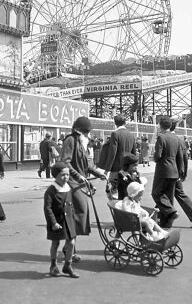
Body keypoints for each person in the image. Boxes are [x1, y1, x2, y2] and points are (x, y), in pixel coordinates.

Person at [60, 116, 107, 262]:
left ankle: (69, 247)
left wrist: (99, 174)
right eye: (86, 132)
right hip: (71, 184)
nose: (87, 135)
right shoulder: (70, 140)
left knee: (78, 215)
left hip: (79, 183)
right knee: (78, 214)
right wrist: (78, 176)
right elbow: (65, 162)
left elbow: (86, 166)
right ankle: (70, 248)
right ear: (78, 130)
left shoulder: (80, 143)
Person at [43, 163, 79, 278]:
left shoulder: (68, 187)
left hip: (68, 220)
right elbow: (47, 208)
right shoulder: (51, 190)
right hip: (57, 221)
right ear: (56, 175)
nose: (66, 177)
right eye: (63, 175)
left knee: (71, 242)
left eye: (68, 175)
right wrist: (53, 222)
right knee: (56, 243)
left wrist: (73, 216)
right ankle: (53, 265)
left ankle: (68, 265)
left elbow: (70, 204)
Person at [152, 117, 184, 228]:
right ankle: (166, 222)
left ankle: (172, 212)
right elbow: (180, 156)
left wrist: (154, 158)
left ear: (160, 125)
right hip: (174, 171)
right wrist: (180, 172)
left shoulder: (161, 137)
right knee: (168, 197)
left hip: (163, 170)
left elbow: (158, 155)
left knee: (156, 193)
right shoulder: (175, 138)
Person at [170, 117, 192, 228]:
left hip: (170, 173)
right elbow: (185, 158)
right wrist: (183, 173)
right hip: (176, 173)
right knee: (170, 194)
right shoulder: (180, 140)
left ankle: (165, 217)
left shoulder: (166, 138)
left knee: (161, 194)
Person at [103, 115, 137, 199]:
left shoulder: (115, 134)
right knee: (126, 192)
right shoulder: (131, 135)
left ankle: (117, 210)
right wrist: (134, 168)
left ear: (115, 123)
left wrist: (107, 169)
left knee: (112, 191)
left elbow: (112, 153)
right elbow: (134, 154)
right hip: (127, 169)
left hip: (116, 169)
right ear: (125, 123)